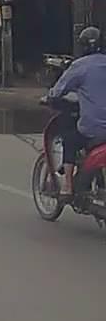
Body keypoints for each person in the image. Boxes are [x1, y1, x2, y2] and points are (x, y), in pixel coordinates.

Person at [47, 26, 106, 198]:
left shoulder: (80, 66)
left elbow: (58, 91)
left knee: (70, 139)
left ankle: (68, 187)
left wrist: (49, 96)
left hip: (94, 129)